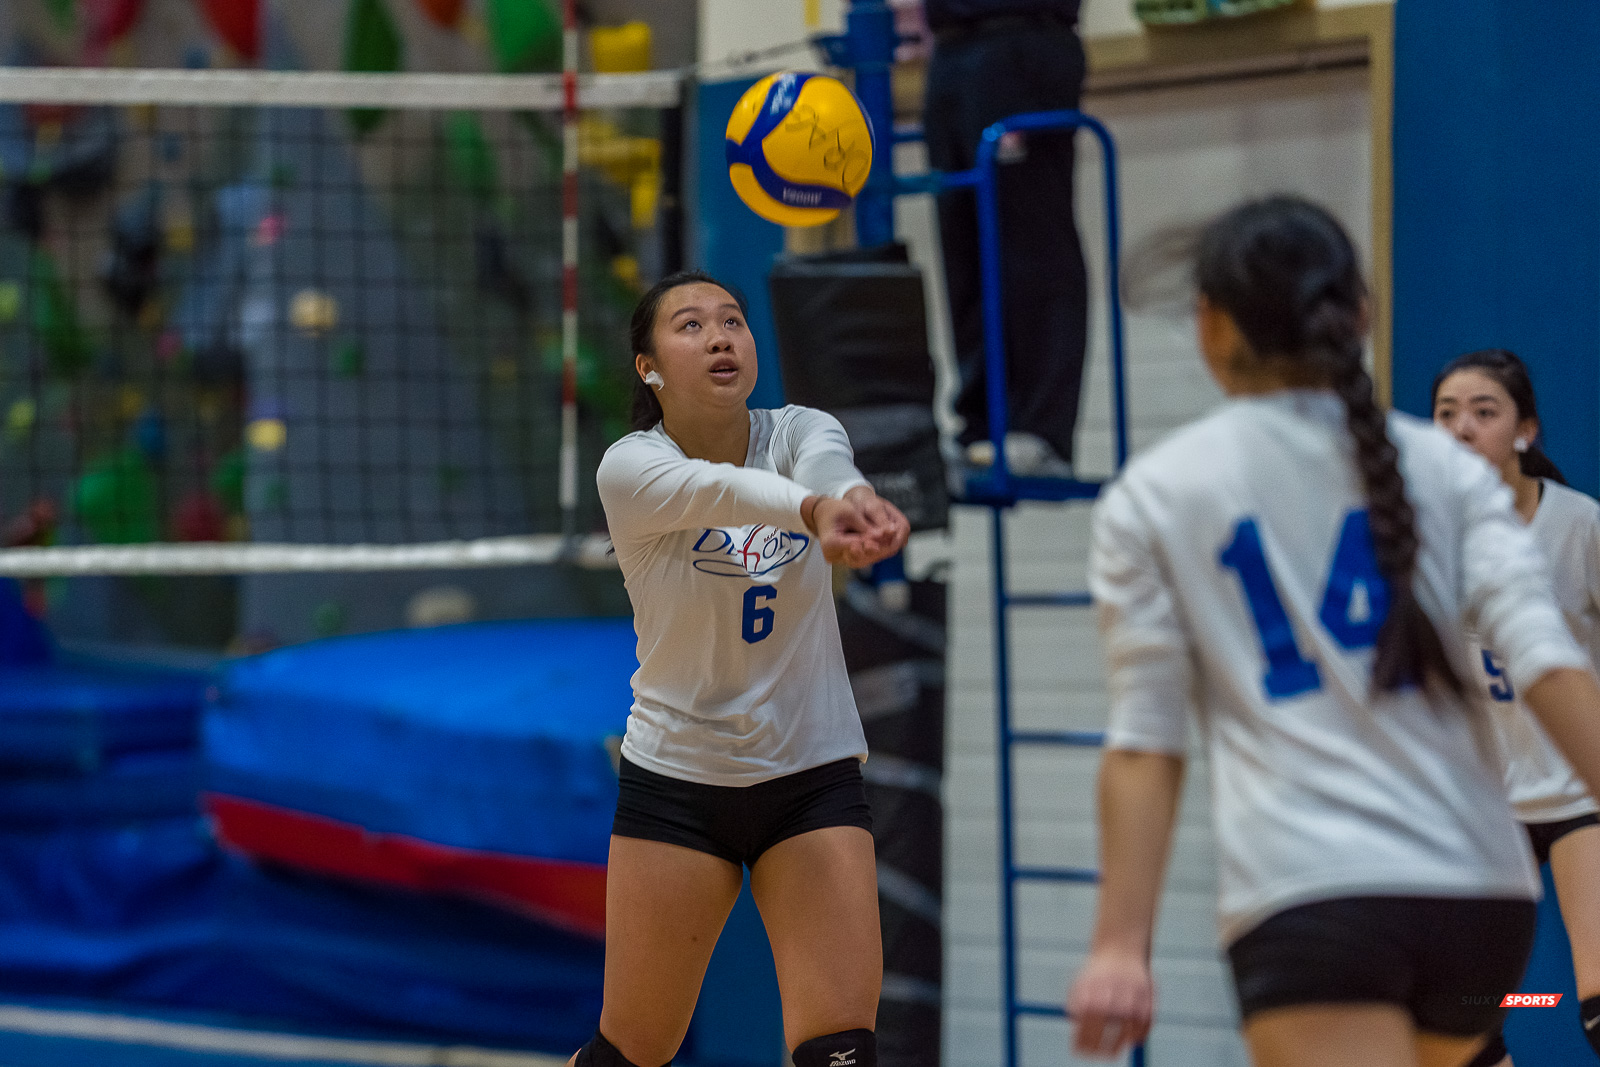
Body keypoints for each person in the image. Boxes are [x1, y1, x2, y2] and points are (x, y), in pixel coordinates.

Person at [1064, 196, 1600, 1067]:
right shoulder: (1451, 473)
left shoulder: (1157, 493)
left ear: (1210, 325)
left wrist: (1120, 942)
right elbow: (1550, 664)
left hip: (1313, 902)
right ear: (1359, 317)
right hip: (1483, 907)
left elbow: (1145, 743)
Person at [575, 270, 911, 1067]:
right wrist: (814, 511)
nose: (721, 335)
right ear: (649, 367)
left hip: (810, 775)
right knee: (634, 1050)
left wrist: (851, 498)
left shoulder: (800, 429)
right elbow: (723, 489)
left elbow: (827, 464)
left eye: (733, 320)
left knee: (842, 1051)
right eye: (691, 325)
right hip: (679, 785)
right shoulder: (631, 467)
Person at [1432, 349, 1600, 1067]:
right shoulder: (1426, 537)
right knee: (1468, 1015)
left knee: (1595, 1002)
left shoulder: (1578, 524)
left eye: (1483, 411)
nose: (1462, 428)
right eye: (1445, 414)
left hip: (1573, 792)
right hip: (1483, 807)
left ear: (1525, 430)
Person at [921, 0, 1086, 479]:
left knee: (1031, 238)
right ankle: (978, 425)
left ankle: (1041, 429)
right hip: (951, 46)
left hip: (1021, 39)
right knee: (963, 248)